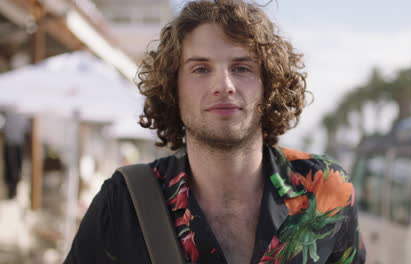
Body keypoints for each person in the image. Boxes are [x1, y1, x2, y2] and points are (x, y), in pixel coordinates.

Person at [65, 0, 366, 263]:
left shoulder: (327, 191)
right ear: (173, 87)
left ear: (268, 85)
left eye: (242, 68)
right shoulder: (123, 203)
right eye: (200, 69)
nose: (223, 85)